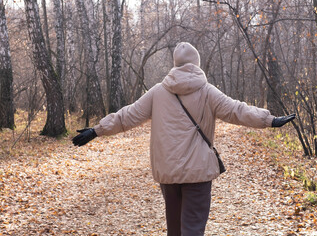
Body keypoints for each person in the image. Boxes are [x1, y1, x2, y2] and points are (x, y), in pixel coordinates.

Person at [72, 42, 295, 235]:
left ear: (175, 64)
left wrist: (97, 130)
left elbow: (127, 116)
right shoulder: (207, 91)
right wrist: (269, 120)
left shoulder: (158, 92)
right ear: (196, 63)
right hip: (198, 172)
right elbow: (237, 110)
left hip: (168, 173)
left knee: (175, 231)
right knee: (193, 230)